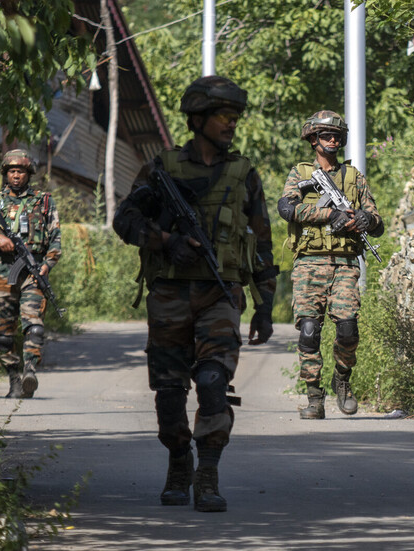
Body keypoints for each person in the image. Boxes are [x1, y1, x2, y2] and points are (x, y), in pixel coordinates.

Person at [112, 76, 277, 512]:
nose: (232, 125)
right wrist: (165, 241)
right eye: (225, 117)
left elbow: (261, 243)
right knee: (169, 392)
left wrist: (265, 306)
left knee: (212, 380)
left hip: (220, 295)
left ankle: (207, 471)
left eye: (235, 118)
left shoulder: (244, 174)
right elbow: (124, 221)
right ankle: (179, 460)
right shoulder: (162, 170)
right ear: (198, 119)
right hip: (168, 294)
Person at [277, 111, 383, 420]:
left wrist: (367, 219)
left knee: (348, 327)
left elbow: (376, 220)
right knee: (309, 329)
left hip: (345, 263)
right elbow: (287, 208)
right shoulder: (300, 173)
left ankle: (343, 379)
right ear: (313, 139)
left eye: (337, 136)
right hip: (309, 263)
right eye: (326, 135)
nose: (333, 140)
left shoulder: (353, 178)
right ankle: (313, 396)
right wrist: (328, 215)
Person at [0, 149, 62, 399]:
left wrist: (48, 264)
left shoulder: (44, 201)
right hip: (1, 272)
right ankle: (14, 379)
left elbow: (55, 238)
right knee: (3, 332)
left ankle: (30, 369)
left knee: (34, 325)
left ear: (28, 174)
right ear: (5, 173)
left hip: (33, 271)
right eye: (11, 171)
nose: (16, 176)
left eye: (20, 171)